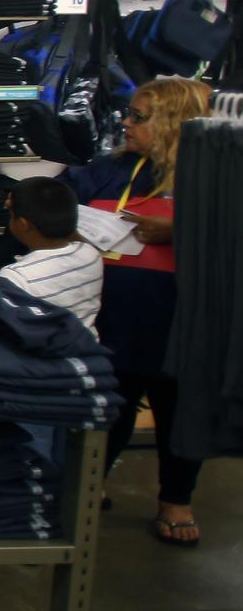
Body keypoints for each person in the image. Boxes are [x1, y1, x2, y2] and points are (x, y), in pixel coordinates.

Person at [66, 76, 211, 547]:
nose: (126, 123)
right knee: (112, 399)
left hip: (184, 317)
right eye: (129, 113)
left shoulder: (217, 175)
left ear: (175, 123)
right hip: (116, 313)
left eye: (139, 117)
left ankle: (176, 498)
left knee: (180, 404)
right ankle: (92, 481)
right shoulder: (112, 170)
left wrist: (179, 229)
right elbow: (64, 193)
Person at [0, 176, 103, 333]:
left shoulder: (16, 277)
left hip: (40, 355)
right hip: (85, 350)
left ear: (23, 224)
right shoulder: (91, 255)